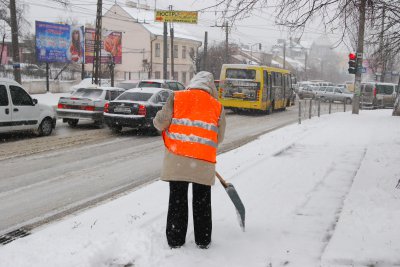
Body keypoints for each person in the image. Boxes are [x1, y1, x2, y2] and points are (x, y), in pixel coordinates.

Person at [153, 71, 226, 249]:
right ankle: (203, 240)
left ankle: (175, 240)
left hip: (178, 160)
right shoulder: (217, 106)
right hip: (203, 162)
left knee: (177, 200)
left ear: (192, 82)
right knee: (202, 201)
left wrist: (160, 120)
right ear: (211, 87)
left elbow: (161, 123)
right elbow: (219, 137)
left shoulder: (176, 97)